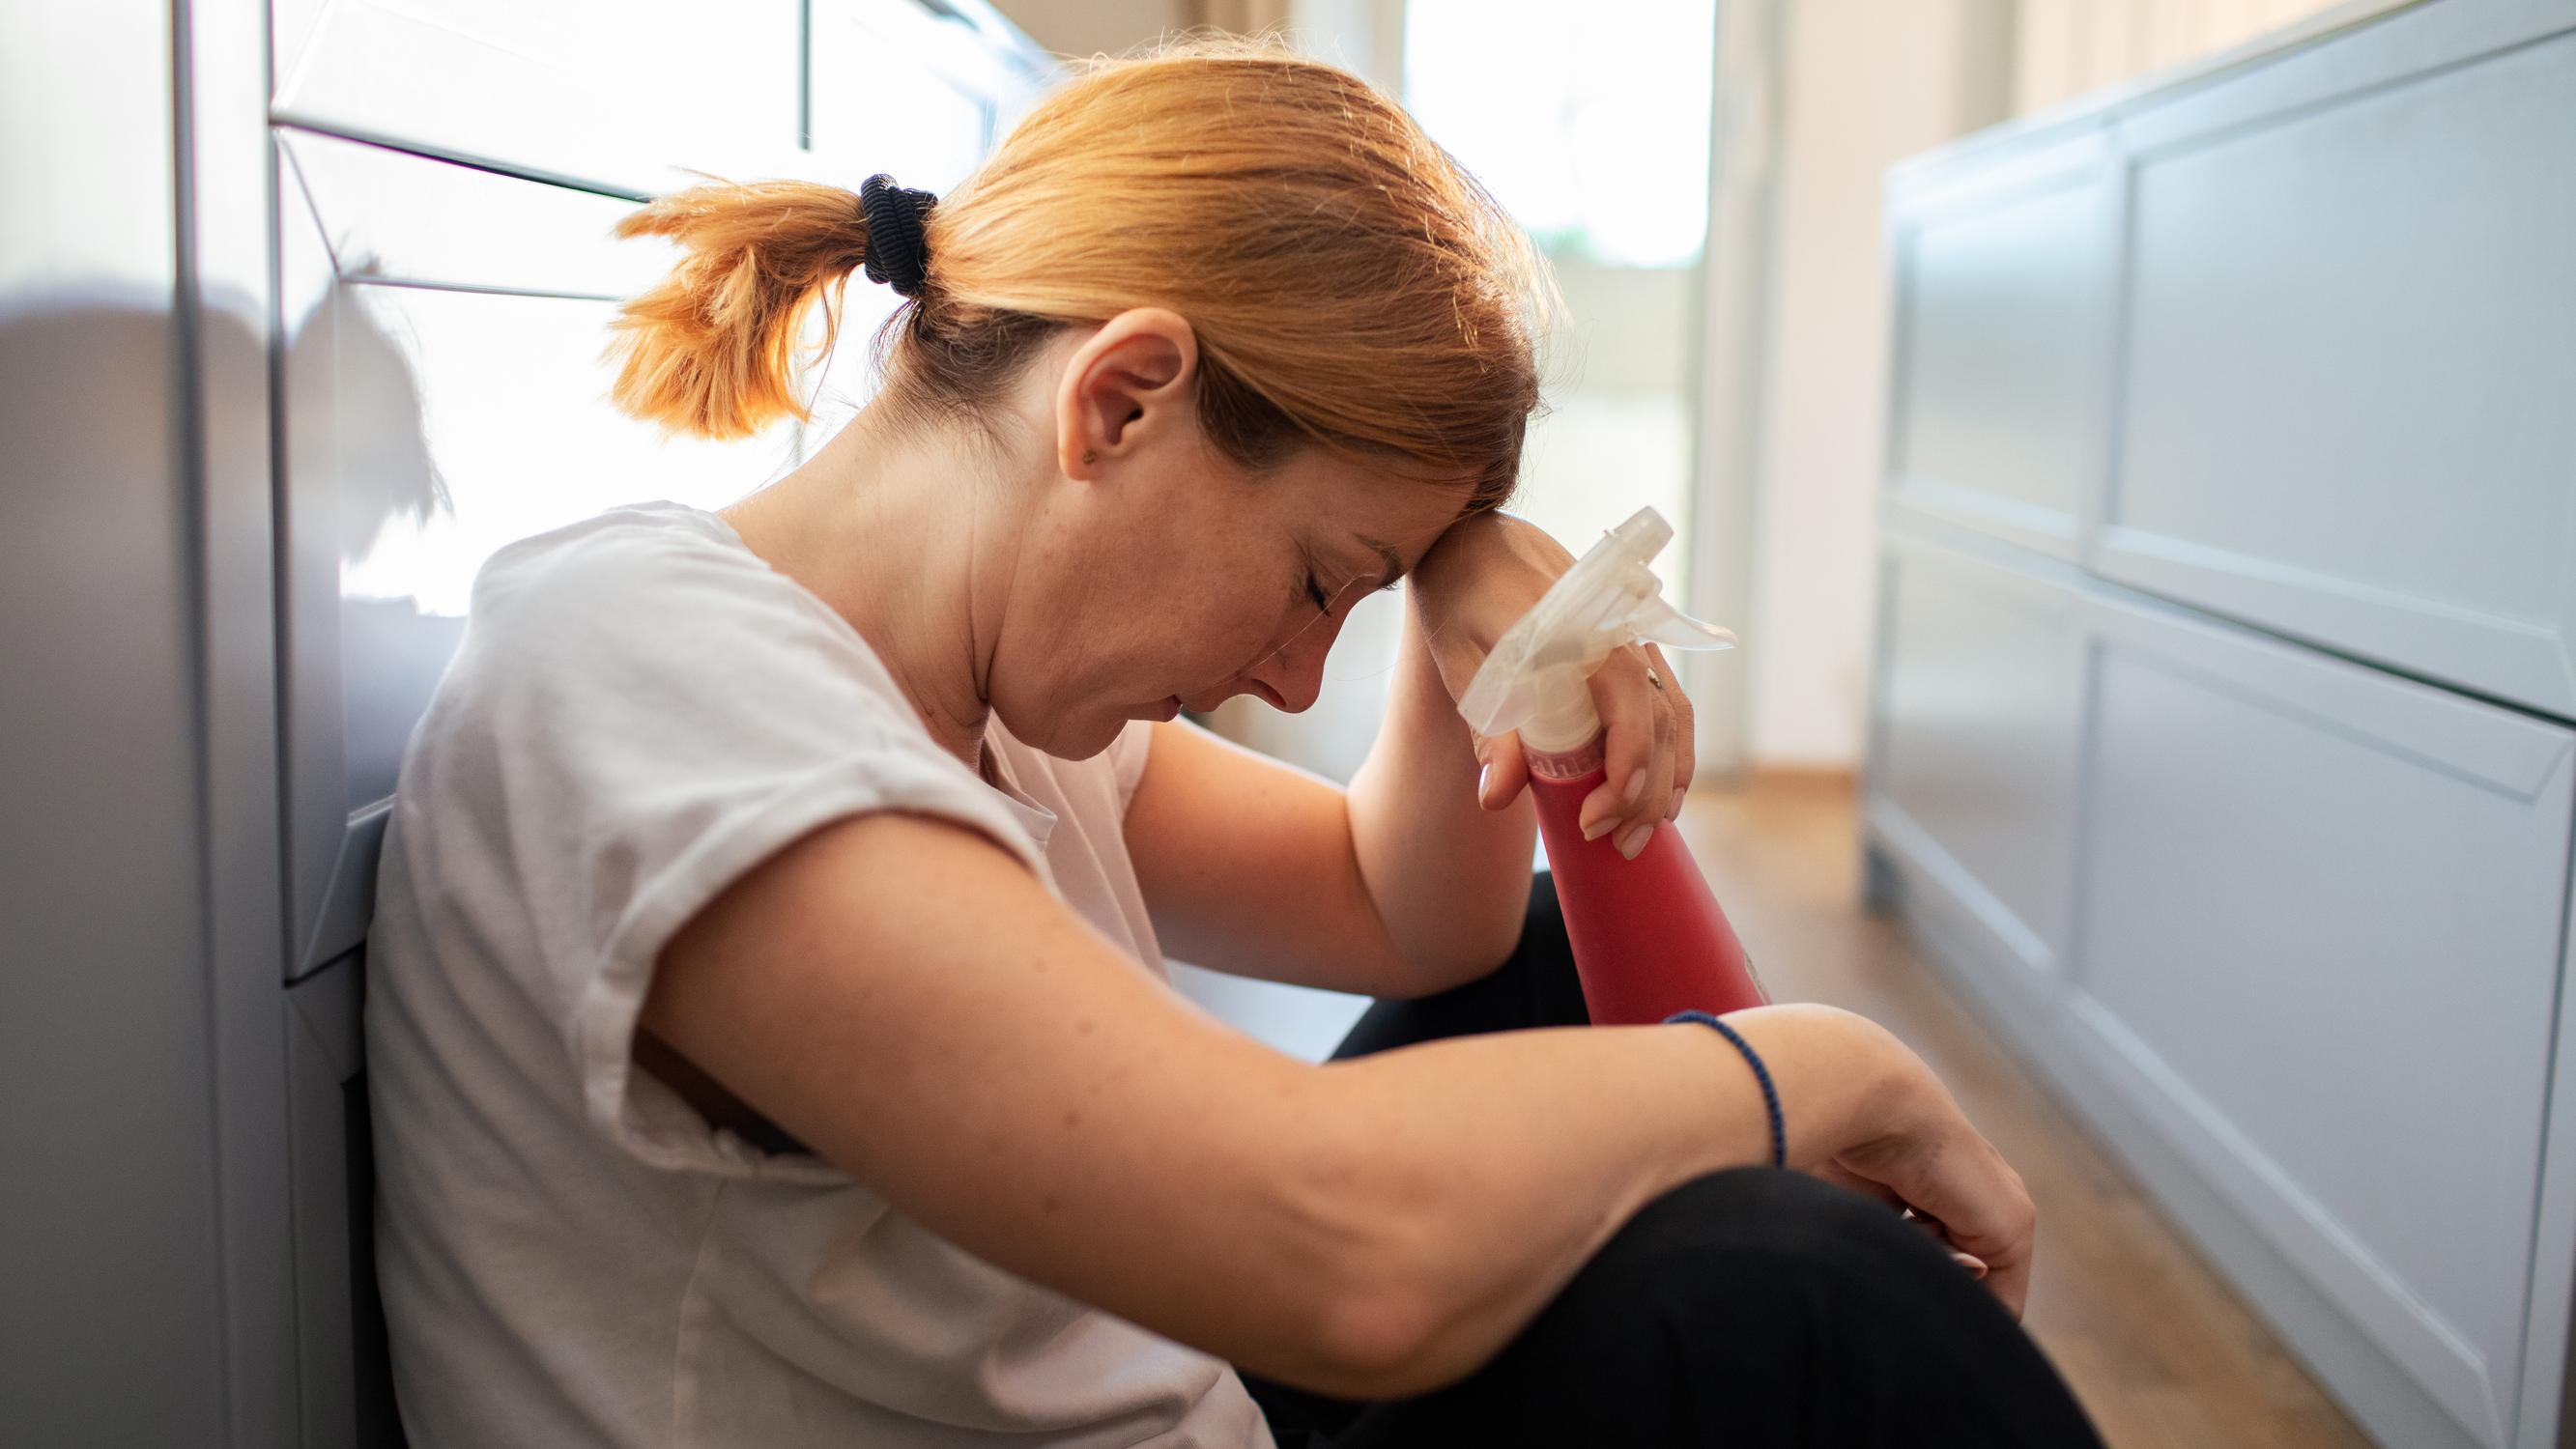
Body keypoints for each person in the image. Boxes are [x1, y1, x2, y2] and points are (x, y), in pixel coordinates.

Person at [364, 36, 2103, 1449]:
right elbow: (1337, 1255)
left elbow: (1412, 916)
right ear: (1118, 400)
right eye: (1311, 581)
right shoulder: (659, 689)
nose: (1288, 678)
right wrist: (1827, 1072)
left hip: (1164, 1397)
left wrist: (1459, 605)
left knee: (1552, 984)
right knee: (1781, 1292)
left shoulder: (970, 693)